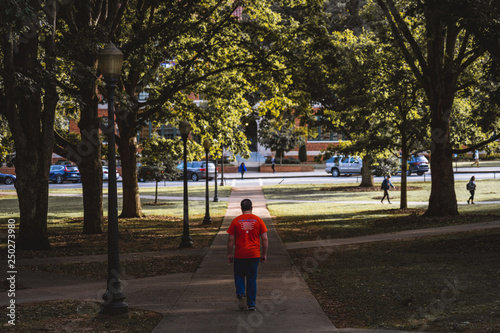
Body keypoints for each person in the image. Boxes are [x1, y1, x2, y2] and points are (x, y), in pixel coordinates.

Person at [227, 199, 268, 311]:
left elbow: (231, 238)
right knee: (251, 278)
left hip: (240, 254)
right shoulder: (258, 221)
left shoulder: (236, 221)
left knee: (239, 274)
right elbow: (264, 239)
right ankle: (251, 305)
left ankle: (241, 293)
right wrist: (264, 254)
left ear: (241, 208)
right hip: (254, 254)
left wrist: (229, 254)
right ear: (252, 208)